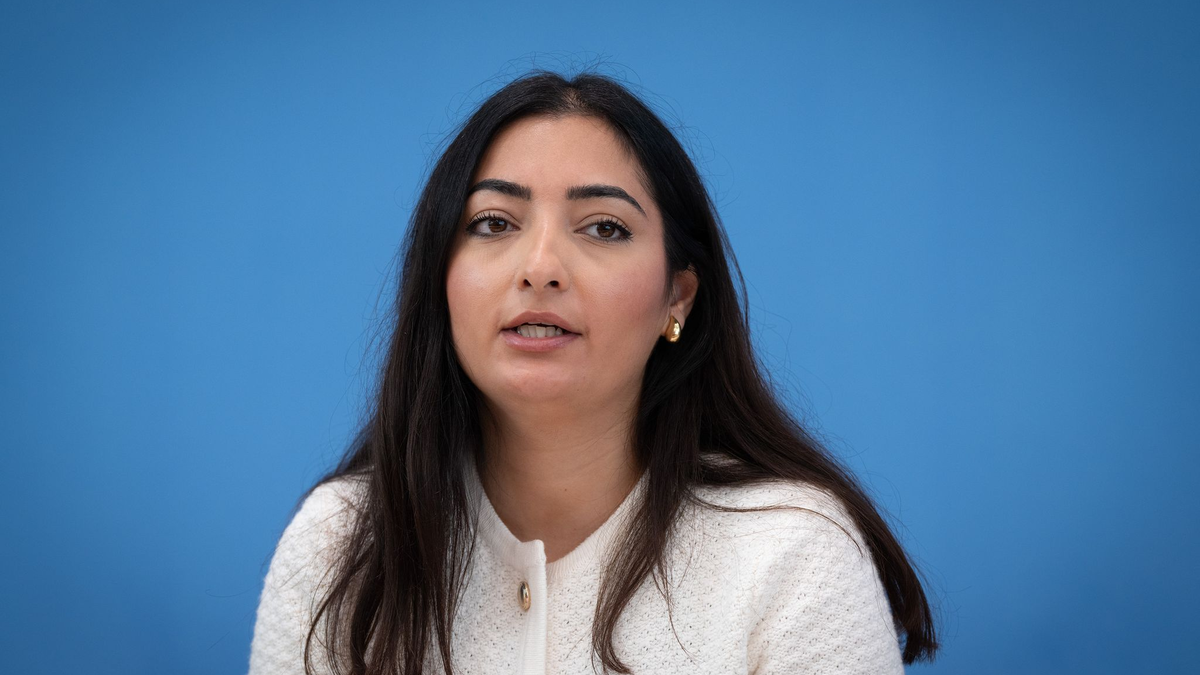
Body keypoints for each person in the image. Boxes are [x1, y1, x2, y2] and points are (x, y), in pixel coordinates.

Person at [247, 70, 939, 675]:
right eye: (494, 223)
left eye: (604, 227)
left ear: (678, 297)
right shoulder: (339, 544)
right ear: (440, 277)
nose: (540, 267)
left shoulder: (794, 552)